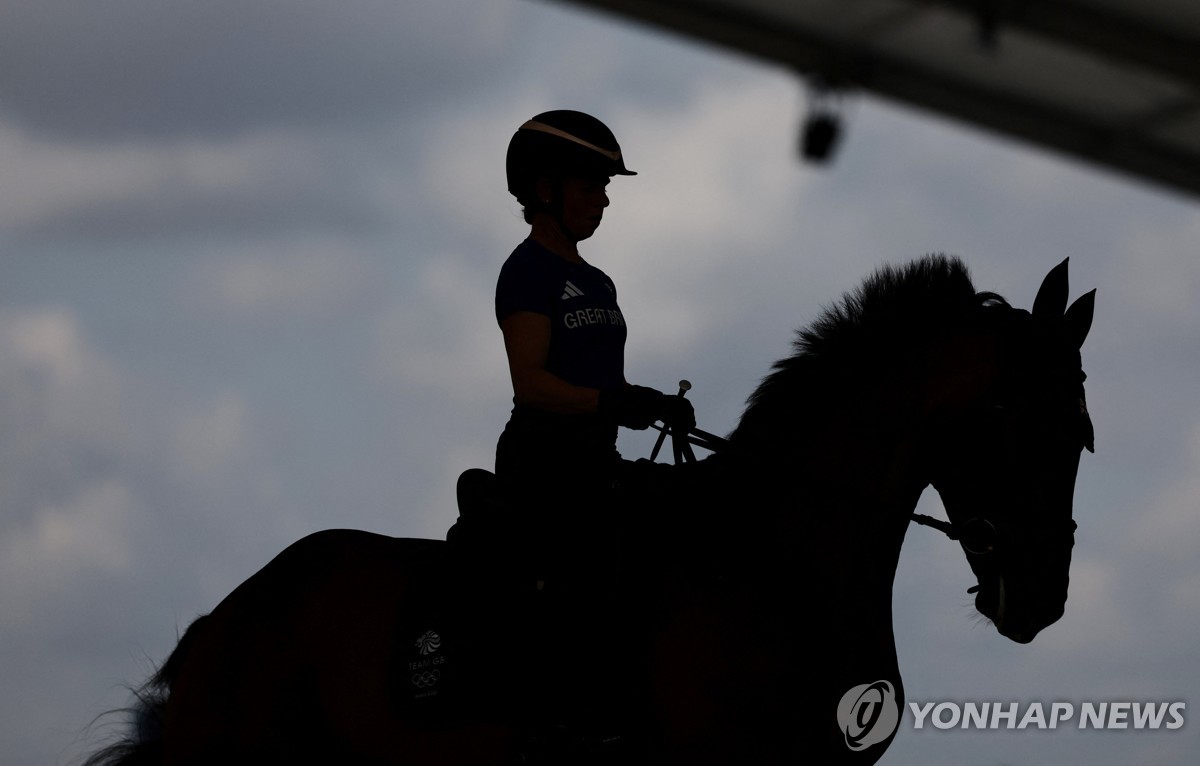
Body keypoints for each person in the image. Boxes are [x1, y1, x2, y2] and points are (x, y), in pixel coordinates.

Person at [488, 109, 694, 745]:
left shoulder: (597, 280)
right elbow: (531, 383)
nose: (603, 202)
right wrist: (611, 406)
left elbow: (602, 384)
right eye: (591, 187)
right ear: (545, 191)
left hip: (595, 458)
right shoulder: (527, 272)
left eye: (606, 189)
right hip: (545, 463)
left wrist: (652, 403)